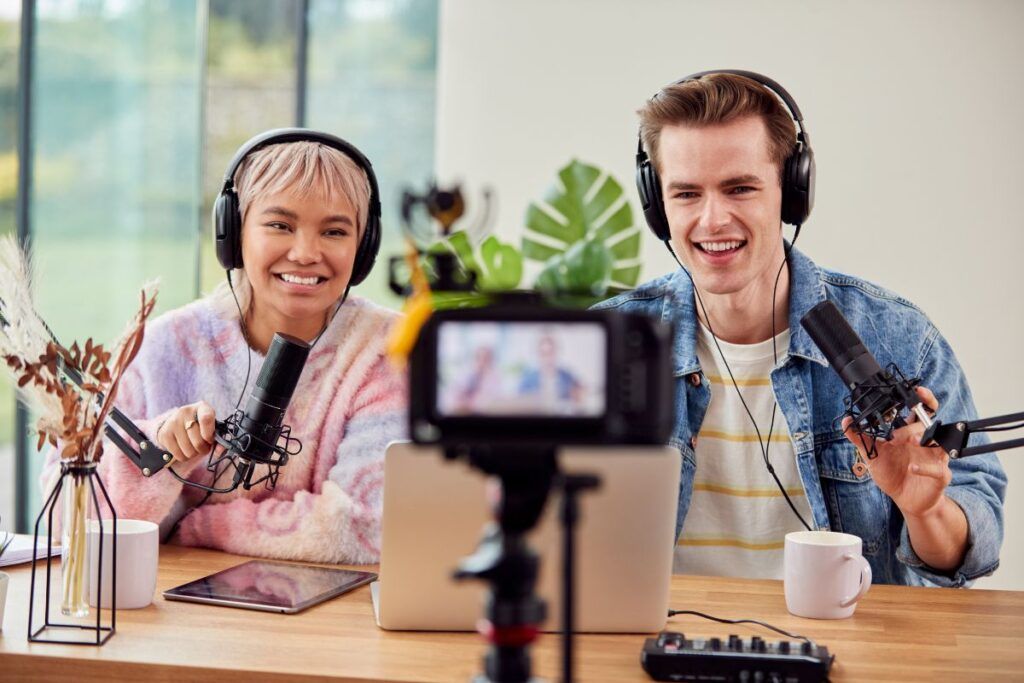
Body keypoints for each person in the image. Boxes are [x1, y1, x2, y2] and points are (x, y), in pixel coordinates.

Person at [595, 71, 1005, 586]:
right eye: (686, 194)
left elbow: (972, 546)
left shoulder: (895, 335)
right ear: (657, 205)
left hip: (838, 647)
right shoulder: (601, 344)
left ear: (791, 194)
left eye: (740, 188)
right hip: (656, 643)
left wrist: (925, 511)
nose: (712, 219)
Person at [41, 129, 406, 564]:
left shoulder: (389, 352)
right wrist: (162, 455)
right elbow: (69, 521)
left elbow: (364, 527)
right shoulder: (160, 349)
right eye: (279, 225)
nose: (306, 252)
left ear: (364, 248)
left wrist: (196, 526)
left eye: (334, 231)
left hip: (334, 625)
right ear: (232, 233)